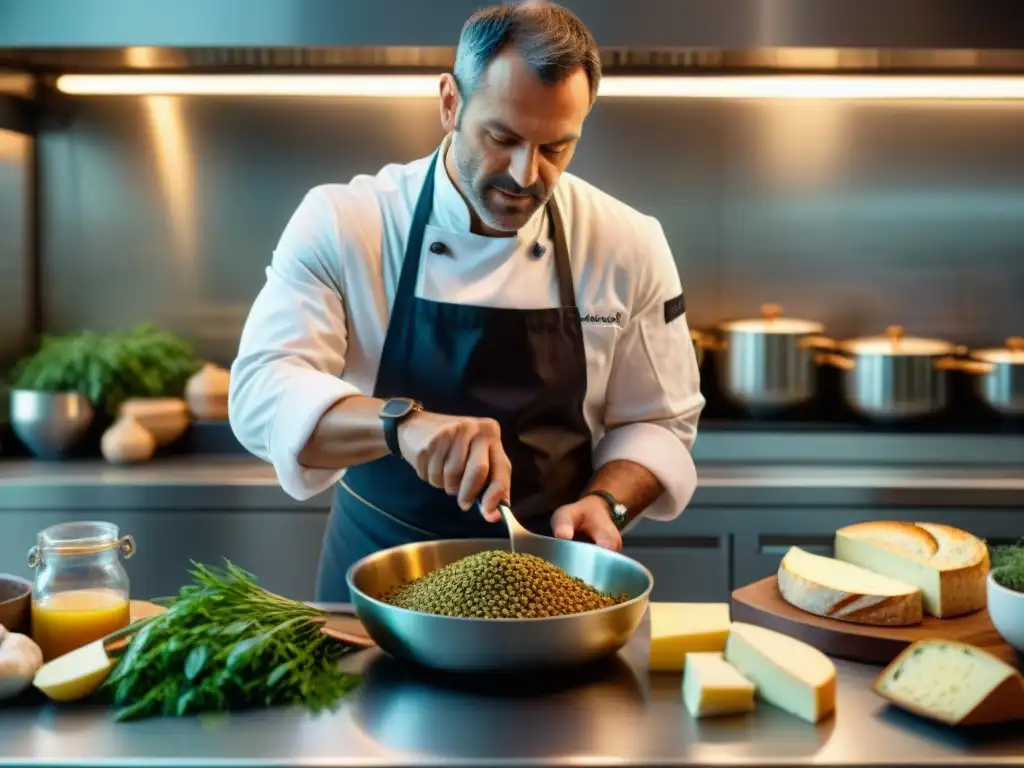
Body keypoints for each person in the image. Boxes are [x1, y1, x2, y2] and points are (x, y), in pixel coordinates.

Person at [228, 0, 705, 602]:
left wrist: (605, 501)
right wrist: (400, 426)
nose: (526, 174)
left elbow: (658, 421)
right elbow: (260, 395)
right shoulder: (348, 223)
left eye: (557, 148)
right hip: (377, 580)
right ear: (450, 102)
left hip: (552, 588)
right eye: (502, 138)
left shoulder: (626, 241)